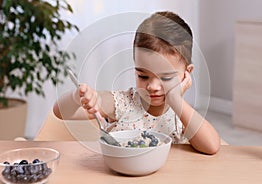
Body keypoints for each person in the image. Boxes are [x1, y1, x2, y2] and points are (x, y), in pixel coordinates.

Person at [53, 11, 220, 154]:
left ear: (186, 74)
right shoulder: (121, 103)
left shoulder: (181, 115)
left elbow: (211, 146)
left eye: (166, 78)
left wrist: (175, 100)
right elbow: (60, 112)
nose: (152, 87)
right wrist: (77, 97)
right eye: (143, 76)